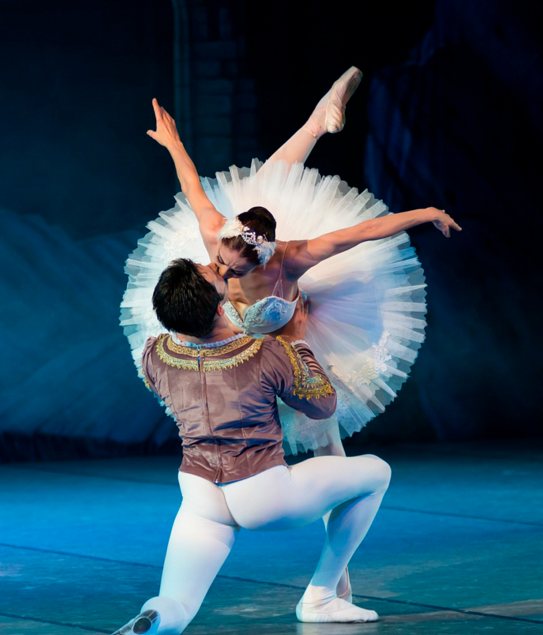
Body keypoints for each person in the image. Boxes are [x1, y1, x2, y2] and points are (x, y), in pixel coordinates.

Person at [121, 67, 460, 457]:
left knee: (323, 431)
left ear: (261, 261)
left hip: (289, 345)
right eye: (221, 262)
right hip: (240, 358)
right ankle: (317, 122)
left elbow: (362, 232)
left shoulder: (292, 260)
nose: (222, 273)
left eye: (236, 270)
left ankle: (317, 122)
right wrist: (173, 143)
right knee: (267, 182)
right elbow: (191, 184)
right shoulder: (215, 231)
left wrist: (427, 212)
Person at [111, 258, 391, 635]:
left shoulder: (154, 355)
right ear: (214, 303)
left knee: (178, 602)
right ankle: (321, 596)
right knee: (376, 471)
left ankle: (155, 619)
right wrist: (297, 343)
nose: (211, 263)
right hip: (264, 492)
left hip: (199, 494)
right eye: (210, 273)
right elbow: (323, 404)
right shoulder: (264, 353)